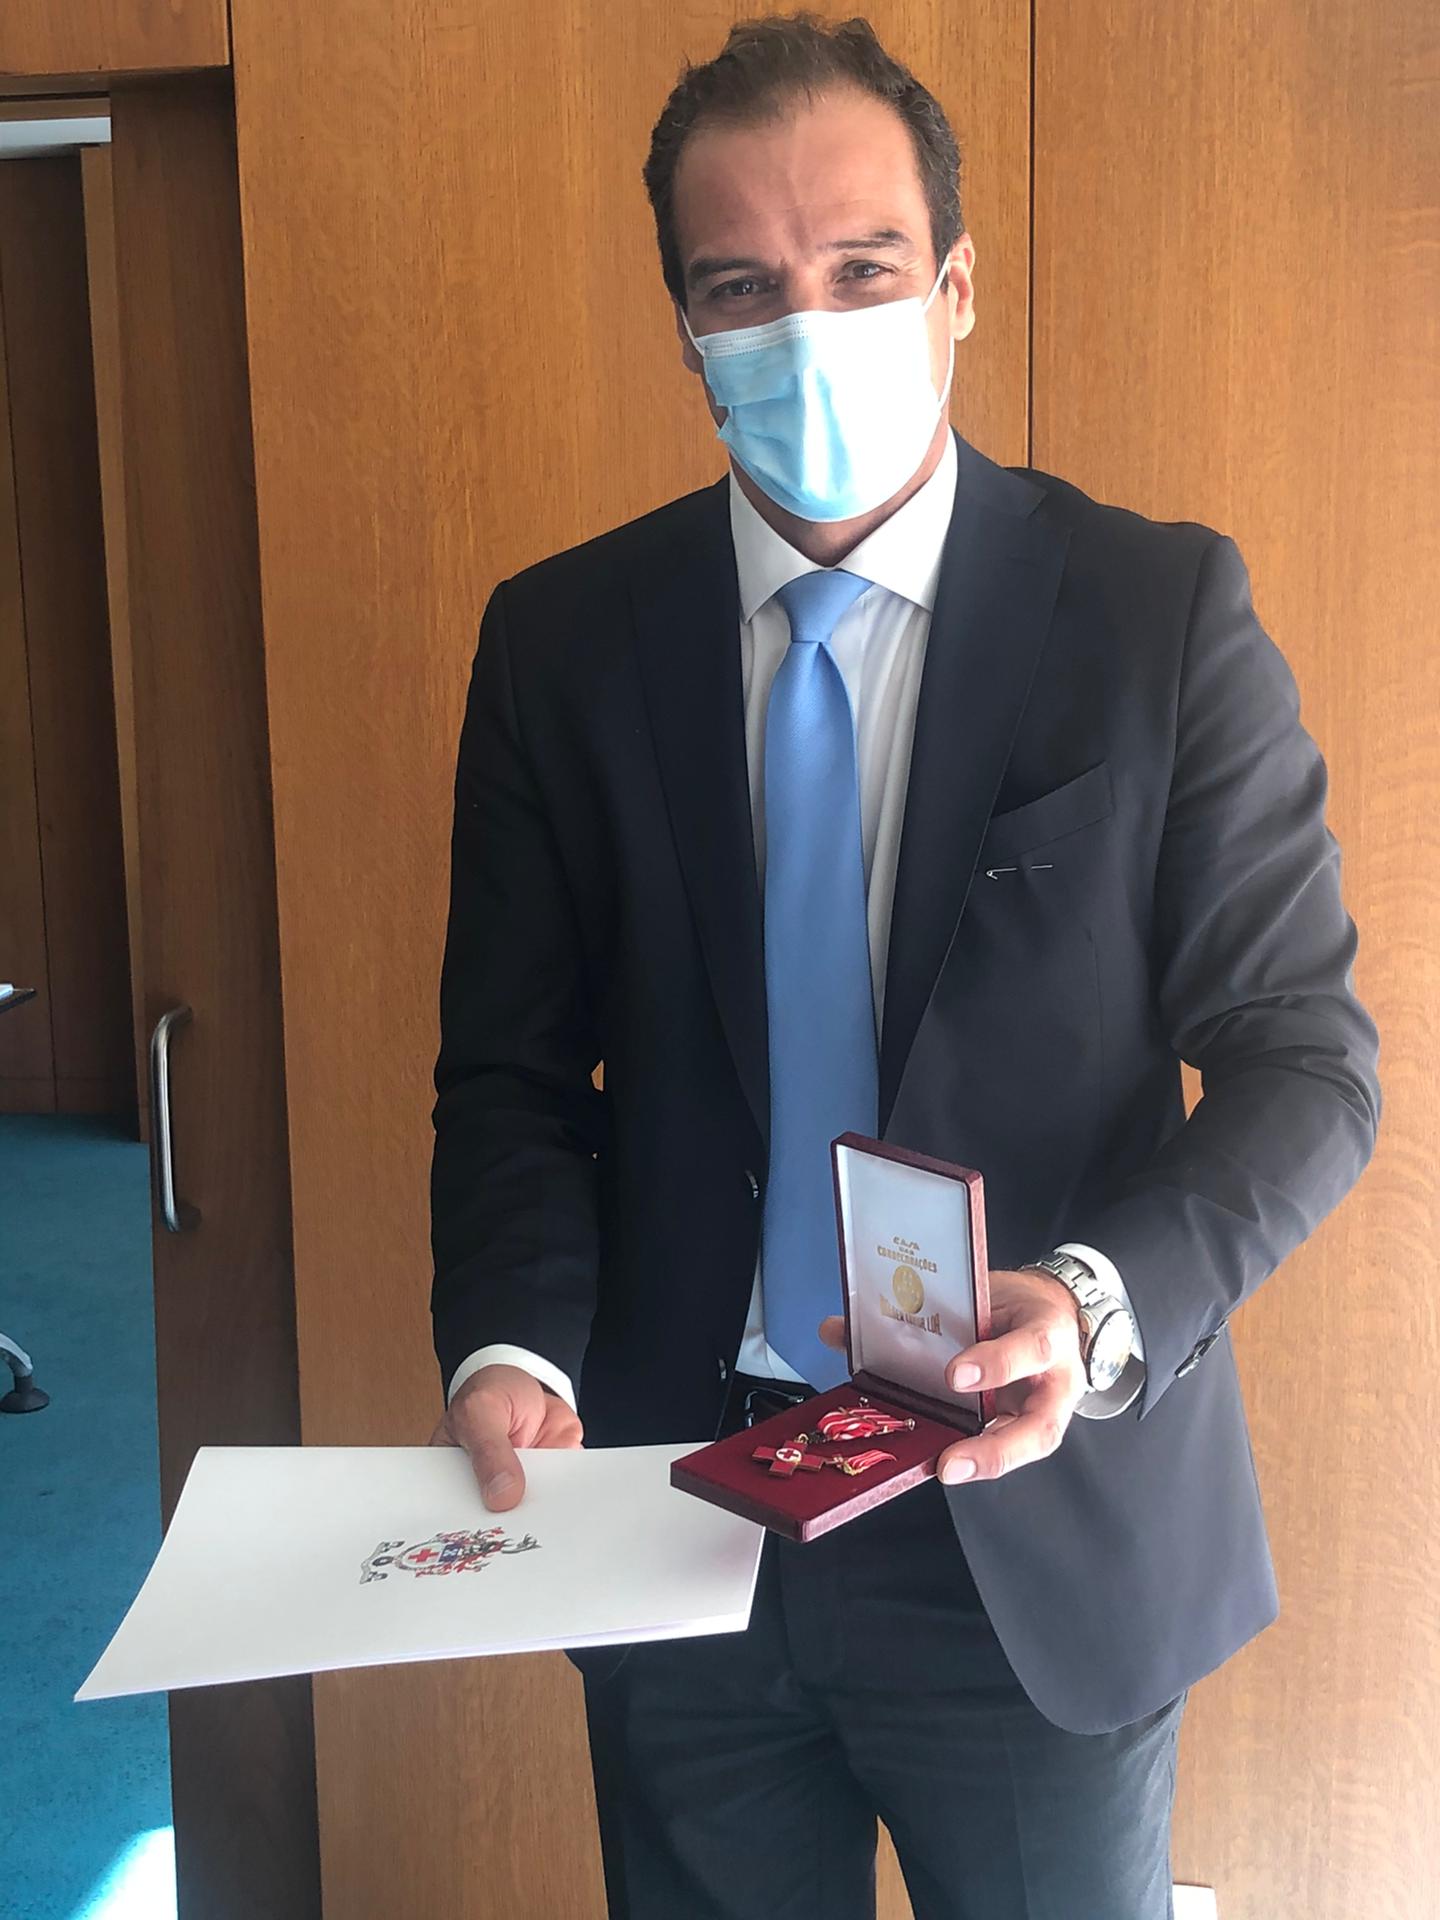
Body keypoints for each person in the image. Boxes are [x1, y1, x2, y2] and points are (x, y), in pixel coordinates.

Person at [427, 15, 1381, 1918]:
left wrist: (1094, 1305)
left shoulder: (1154, 611)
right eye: (742, 288)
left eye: (862, 269)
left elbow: (1304, 1061)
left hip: (1029, 1510)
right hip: (683, 1510)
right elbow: (513, 1075)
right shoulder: (562, 644)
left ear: (954, 288)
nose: (807, 327)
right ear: (686, 330)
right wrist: (511, 1342)